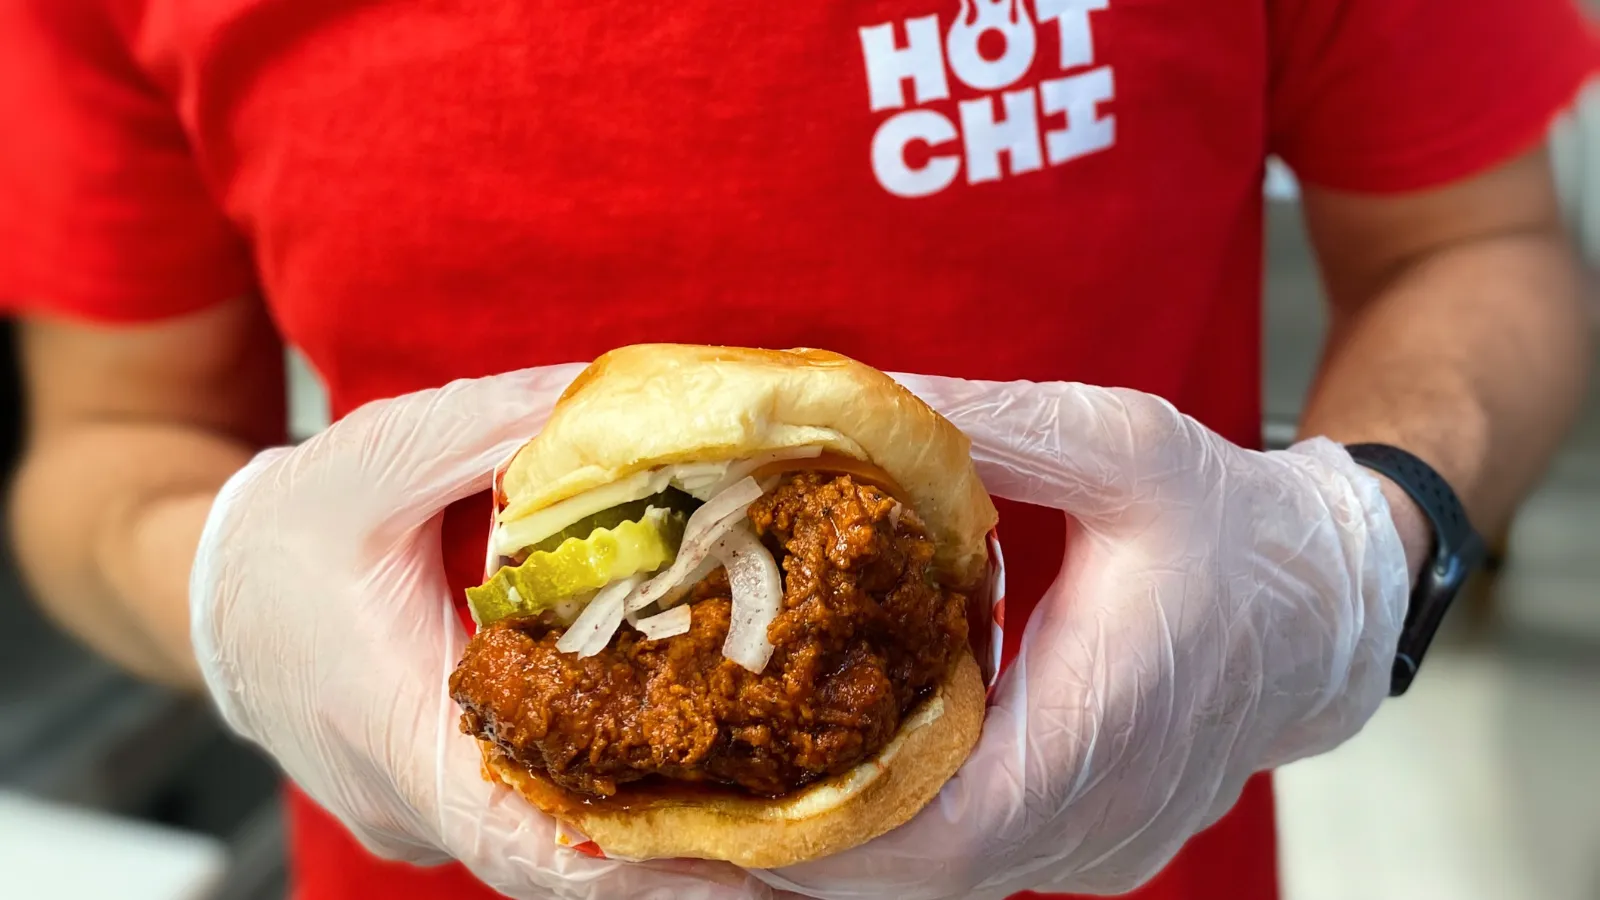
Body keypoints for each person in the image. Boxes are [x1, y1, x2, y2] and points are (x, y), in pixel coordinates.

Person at [1, 1, 1595, 898]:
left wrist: (1366, 542)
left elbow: (1481, 249)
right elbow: (110, 440)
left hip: (1133, 861)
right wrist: (228, 582)